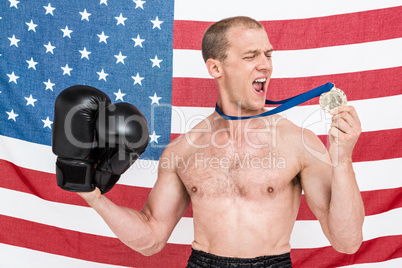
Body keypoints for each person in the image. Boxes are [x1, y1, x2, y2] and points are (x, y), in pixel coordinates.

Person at [76, 16, 365, 267]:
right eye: (251, 56)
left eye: (268, 54)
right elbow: (151, 239)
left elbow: (347, 242)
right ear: (215, 68)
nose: (265, 65)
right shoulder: (183, 150)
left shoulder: (298, 142)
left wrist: (343, 159)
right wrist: (94, 198)